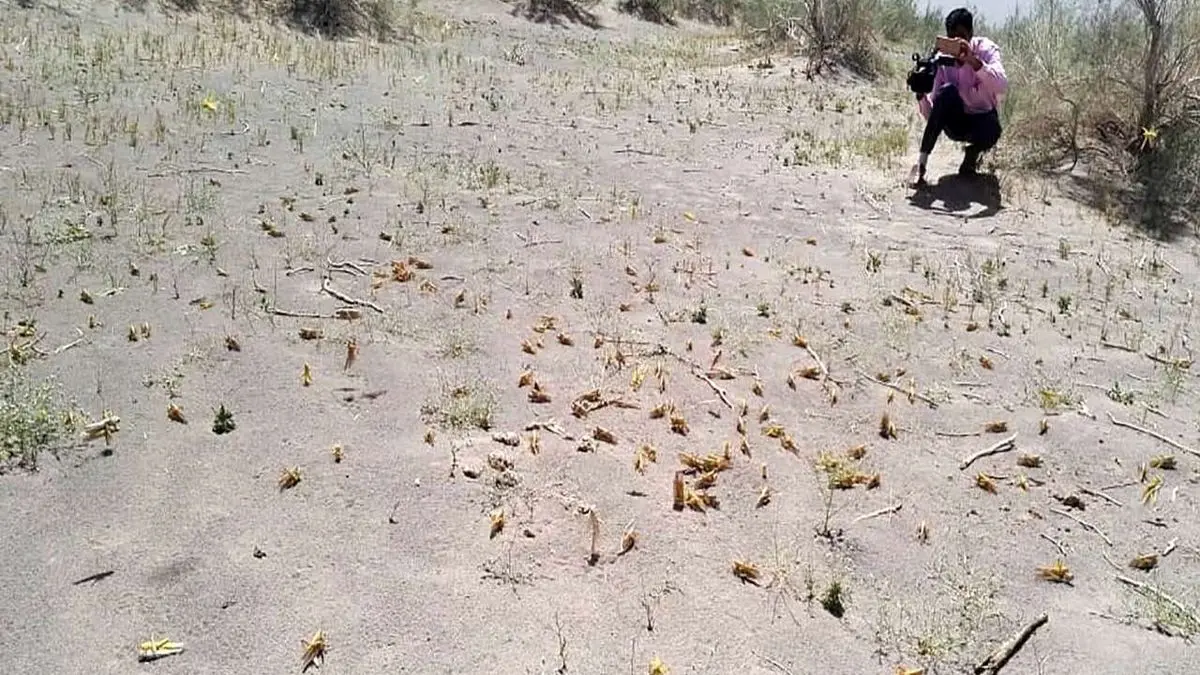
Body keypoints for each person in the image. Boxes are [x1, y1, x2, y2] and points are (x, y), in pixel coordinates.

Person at [908, 8, 1008, 188]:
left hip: (982, 121)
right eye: (951, 38)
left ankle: (972, 154)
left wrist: (973, 61)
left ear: (971, 34)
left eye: (961, 37)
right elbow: (933, 115)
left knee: (993, 129)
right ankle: (921, 165)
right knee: (946, 92)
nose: (956, 44)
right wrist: (921, 94)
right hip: (956, 124)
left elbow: (1002, 85)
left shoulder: (985, 49)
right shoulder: (942, 59)